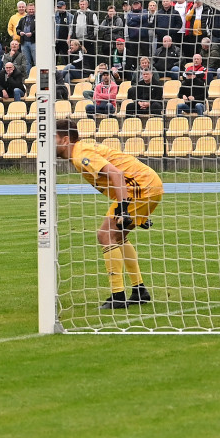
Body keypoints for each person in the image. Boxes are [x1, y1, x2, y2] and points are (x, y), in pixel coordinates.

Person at [56, 117, 162, 309]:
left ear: (64, 140)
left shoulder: (81, 155)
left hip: (139, 188)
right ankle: (139, 291)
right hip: (146, 185)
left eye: (51, 138)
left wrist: (123, 208)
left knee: (105, 235)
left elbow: (116, 174)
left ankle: (118, 296)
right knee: (118, 237)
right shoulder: (81, 150)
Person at [17, 2, 36, 72]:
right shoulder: (23, 19)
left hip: (34, 42)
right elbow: (17, 29)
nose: (31, 11)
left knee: (36, 60)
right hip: (24, 43)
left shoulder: (38, 19)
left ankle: (37, 76)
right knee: (26, 62)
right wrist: (20, 32)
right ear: (26, 9)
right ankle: (28, 77)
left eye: (32, 9)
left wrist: (32, 33)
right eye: (30, 9)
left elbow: (40, 29)